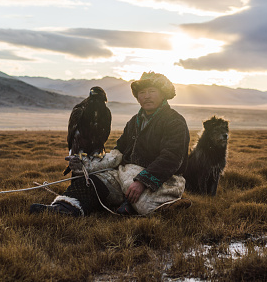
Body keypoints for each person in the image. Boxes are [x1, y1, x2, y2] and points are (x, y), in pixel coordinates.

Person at [30, 72, 190, 216]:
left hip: (163, 179)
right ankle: (65, 208)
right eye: (142, 92)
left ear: (163, 94)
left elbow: (172, 158)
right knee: (91, 182)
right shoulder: (134, 121)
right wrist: (88, 165)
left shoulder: (174, 121)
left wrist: (142, 182)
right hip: (126, 175)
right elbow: (119, 150)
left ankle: (169, 208)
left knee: (145, 205)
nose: (146, 96)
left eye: (152, 91)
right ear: (137, 97)